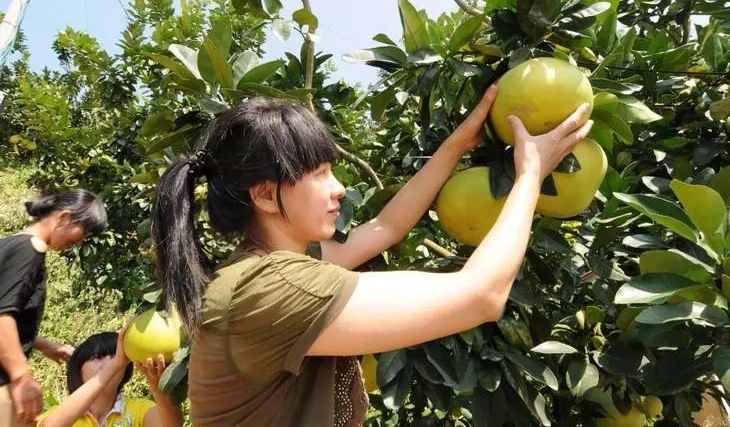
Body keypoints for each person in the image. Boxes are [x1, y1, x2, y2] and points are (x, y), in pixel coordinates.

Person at [151, 87, 593, 426]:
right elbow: (482, 295)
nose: (338, 187)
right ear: (267, 194)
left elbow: (386, 228)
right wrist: (530, 175)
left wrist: (458, 144)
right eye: (320, 173)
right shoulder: (272, 288)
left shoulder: (261, 269)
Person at [0, 190, 107, 427]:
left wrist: (42, 344)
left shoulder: (10, 245)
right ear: (64, 217)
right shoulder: (29, 250)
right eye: (84, 232)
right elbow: (2, 316)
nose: (80, 241)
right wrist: (22, 377)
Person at [36, 330, 184, 427]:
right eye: (98, 357)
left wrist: (160, 389)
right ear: (77, 368)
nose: (110, 363)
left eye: (115, 356)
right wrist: (115, 364)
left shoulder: (141, 409)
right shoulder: (59, 413)